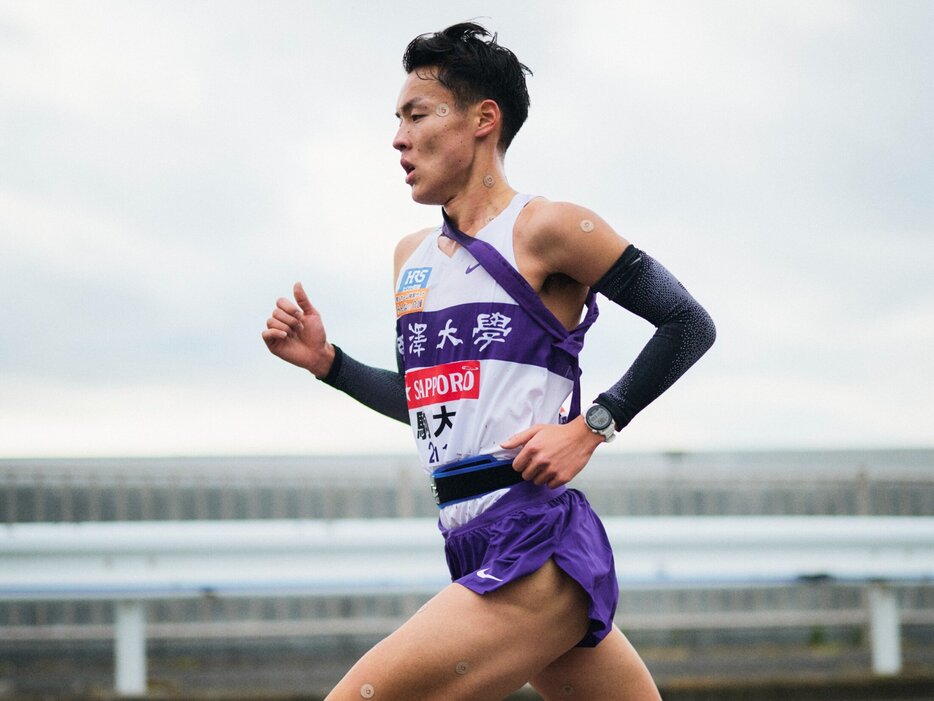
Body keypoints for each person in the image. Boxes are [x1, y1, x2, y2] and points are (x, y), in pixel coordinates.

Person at [263, 22, 715, 701]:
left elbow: (688, 323)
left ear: (483, 119)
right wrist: (330, 363)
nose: (398, 138)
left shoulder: (548, 227)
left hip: (536, 543)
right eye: (397, 120)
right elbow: (430, 407)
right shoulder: (409, 259)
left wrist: (592, 426)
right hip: (472, 541)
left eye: (417, 115)